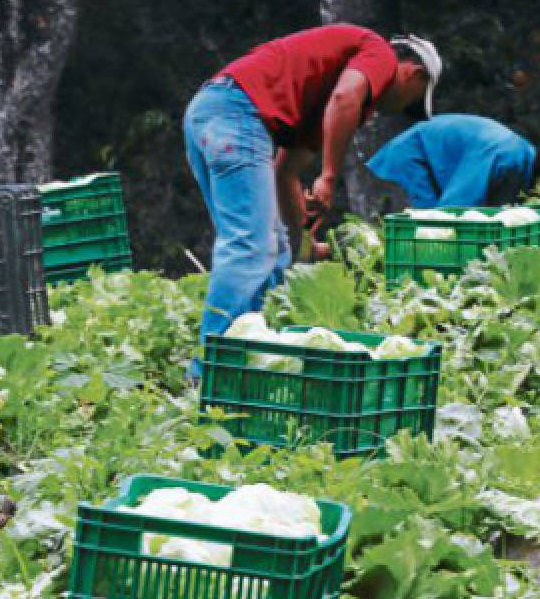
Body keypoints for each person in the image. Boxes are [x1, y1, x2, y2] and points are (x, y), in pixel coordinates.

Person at [184, 24, 442, 371]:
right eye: (412, 101)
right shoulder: (378, 51)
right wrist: (329, 175)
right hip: (236, 115)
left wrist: (302, 243)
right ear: (414, 73)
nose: (399, 110)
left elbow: (286, 172)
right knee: (250, 248)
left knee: (271, 250)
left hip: (208, 112)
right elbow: (345, 98)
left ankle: (247, 359)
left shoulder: (316, 97)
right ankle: (211, 371)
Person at [364, 114, 540, 209]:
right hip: (413, 159)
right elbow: (456, 206)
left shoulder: (521, 157)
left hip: (429, 163)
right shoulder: (508, 158)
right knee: (430, 232)